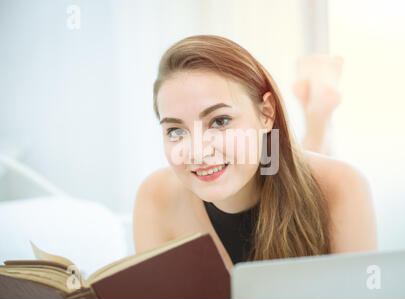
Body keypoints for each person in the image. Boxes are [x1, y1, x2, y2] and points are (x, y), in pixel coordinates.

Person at [133, 35, 377, 272]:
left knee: (289, 162)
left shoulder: (344, 185)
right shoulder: (155, 196)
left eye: (220, 121)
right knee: (276, 156)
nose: (197, 153)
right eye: (176, 130)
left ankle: (318, 114)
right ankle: (317, 112)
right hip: (271, 153)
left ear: (267, 112)